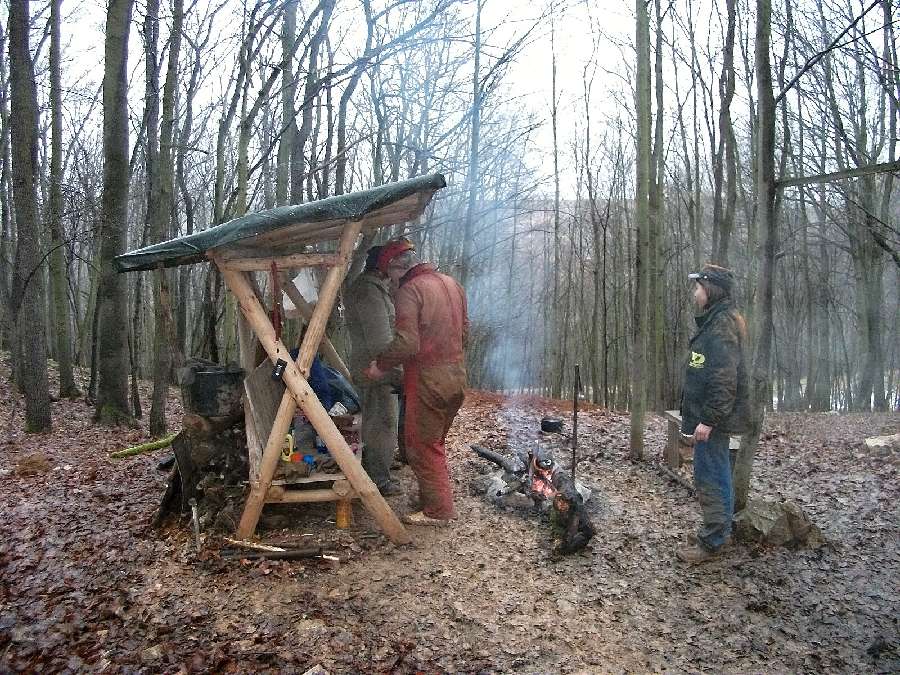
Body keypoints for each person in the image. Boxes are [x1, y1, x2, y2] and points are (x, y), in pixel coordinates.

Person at [363, 238, 468, 526]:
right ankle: (429, 498)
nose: (390, 281)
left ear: (397, 267)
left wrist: (380, 366)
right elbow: (465, 333)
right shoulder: (452, 284)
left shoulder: (410, 291)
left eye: (390, 274)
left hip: (428, 381)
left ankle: (438, 510)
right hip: (457, 377)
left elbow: (407, 343)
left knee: (422, 446)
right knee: (433, 441)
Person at [677, 263, 751, 564]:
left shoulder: (722, 326)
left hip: (714, 420)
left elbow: (724, 380)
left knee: (712, 476)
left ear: (711, 290)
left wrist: (708, 420)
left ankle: (713, 541)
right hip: (709, 416)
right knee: (712, 472)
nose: (695, 293)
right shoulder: (716, 320)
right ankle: (717, 533)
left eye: (698, 287)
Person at [345, 245, 401, 496]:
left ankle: (379, 469)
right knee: (382, 424)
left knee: (379, 422)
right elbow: (380, 342)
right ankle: (378, 480)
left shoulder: (374, 288)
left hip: (377, 367)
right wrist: (395, 371)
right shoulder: (368, 290)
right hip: (375, 370)